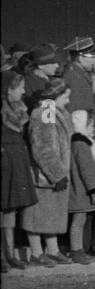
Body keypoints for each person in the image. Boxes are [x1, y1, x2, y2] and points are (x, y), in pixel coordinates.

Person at [23, 79, 74, 266]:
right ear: (56, 96)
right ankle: (36, 253)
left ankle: (52, 250)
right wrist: (57, 173)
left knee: (50, 214)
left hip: (54, 174)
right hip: (45, 176)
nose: (68, 101)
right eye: (66, 97)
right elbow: (43, 148)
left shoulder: (55, 112)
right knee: (39, 215)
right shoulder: (45, 113)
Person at [1, 69, 36, 271]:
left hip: (16, 161)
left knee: (10, 211)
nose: (24, 91)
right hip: (5, 162)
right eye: (20, 88)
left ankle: (10, 253)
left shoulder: (20, 108)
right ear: (9, 90)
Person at [67, 109, 95, 264]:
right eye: (90, 125)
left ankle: (79, 249)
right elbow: (87, 169)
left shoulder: (88, 142)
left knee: (82, 220)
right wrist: (93, 190)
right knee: (78, 221)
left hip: (87, 189)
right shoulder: (80, 143)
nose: (93, 128)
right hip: (83, 190)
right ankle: (76, 250)